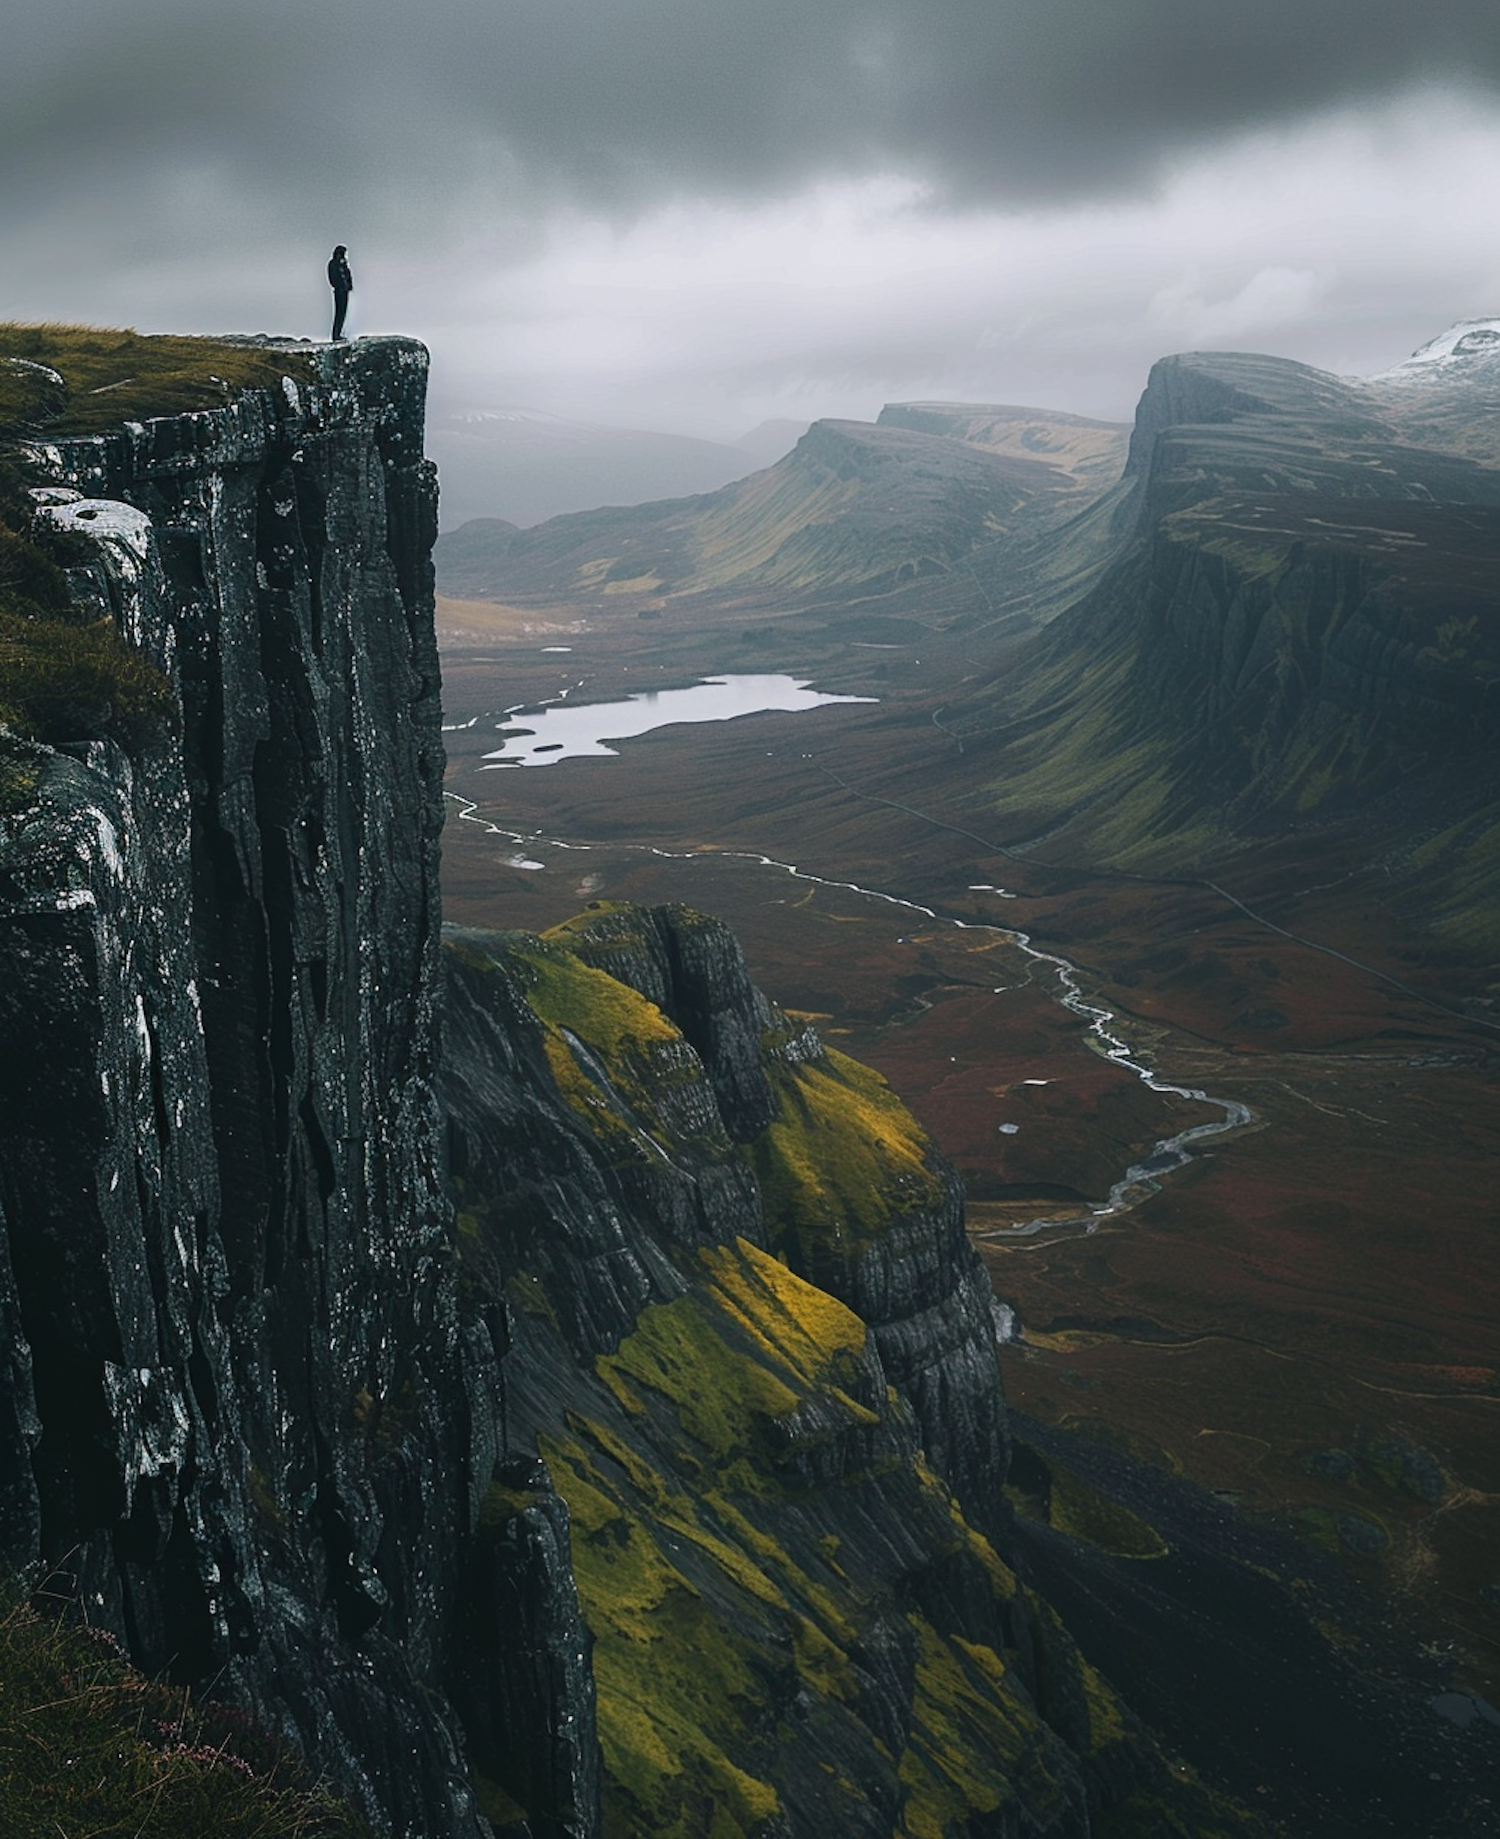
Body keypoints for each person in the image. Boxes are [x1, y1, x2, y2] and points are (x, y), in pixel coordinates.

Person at [328, 245, 353, 341]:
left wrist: (349, 286)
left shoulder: (342, 264)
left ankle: (339, 333)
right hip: (339, 291)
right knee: (339, 313)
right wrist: (339, 286)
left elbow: (347, 275)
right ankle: (335, 335)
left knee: (343, 313)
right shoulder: (333, 264)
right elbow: (333, 278)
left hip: (344, 290)